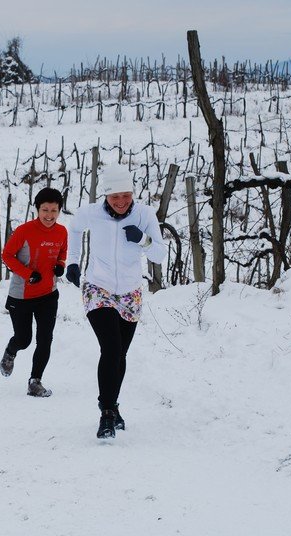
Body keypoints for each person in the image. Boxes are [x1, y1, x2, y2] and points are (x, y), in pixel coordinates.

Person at [65, 165, 167, 439]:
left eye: (126, 195)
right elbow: (74, 229)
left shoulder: (145, 214)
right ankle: (107, 414)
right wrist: (72, 261)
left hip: (130, 292)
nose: (121, 202)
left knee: (120, 354)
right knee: (111, 349)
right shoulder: (91, 213)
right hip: (98, 287)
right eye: (114, 197)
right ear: (105, 196)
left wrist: (143, 240)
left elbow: (160, 254)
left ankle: (111, 404)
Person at [0, 188, 67, 397]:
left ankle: (34, 381)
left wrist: (61, 265)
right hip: (22, 295)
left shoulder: (62, 231)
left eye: (54, 210)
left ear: (59, 210)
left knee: (45, 339)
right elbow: (7, 255)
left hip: (48, 294)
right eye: (45, 210)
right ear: (37, 209)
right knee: (24, 339)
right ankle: (11, 351)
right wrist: (28, 274)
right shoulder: (24, 231)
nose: (49, 215)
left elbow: (62, 252)